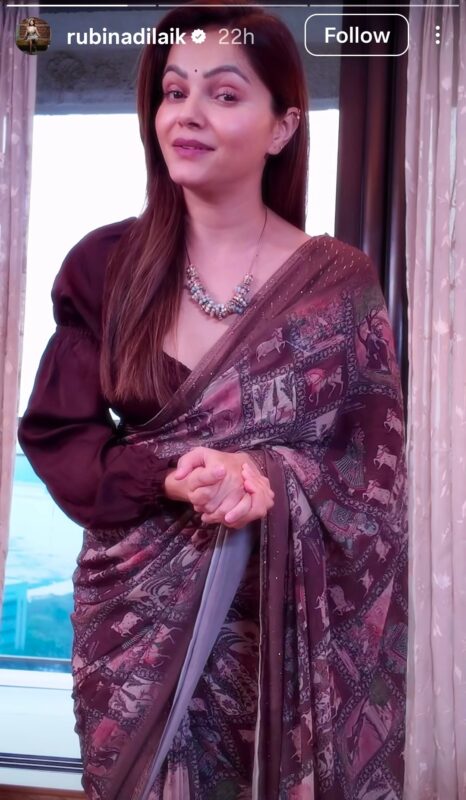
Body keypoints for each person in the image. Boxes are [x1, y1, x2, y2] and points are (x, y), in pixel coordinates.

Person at [18, 1, 408, 798]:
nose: (187, 113)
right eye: (174, 91)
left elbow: (373, 477)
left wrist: (268, 478)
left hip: (276, 629)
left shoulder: (337, 286)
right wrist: (170, 479)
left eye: (224, 94)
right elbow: (60, 436)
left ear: (282, 127)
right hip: (133, 623)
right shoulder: (105, 265)